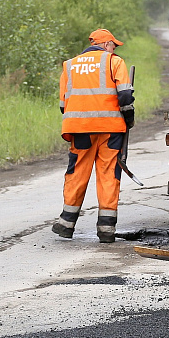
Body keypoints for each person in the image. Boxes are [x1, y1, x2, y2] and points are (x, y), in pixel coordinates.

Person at [53, 29, 135, 243]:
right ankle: (106, 229)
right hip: (110, 129)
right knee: (108, 174)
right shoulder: (114, 62)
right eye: (113, 45)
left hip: (80, 129)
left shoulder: (69, 65)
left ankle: (66, 223)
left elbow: (63, 105)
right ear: (106, 44)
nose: (114, 49)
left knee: (77, 172)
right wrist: (129, 118)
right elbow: (125, 96)